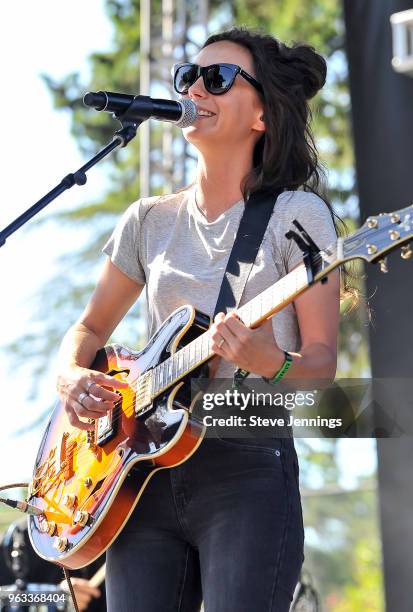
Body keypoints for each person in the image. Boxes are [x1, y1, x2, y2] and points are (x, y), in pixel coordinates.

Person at [56, 26, 347, 612]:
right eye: (187, 75)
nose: (194, 87)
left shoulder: (299, 214)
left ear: (262, 115)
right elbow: (88, 331)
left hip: (246, 465)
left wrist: (265, 359)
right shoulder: (148, 220)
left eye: (216, 78)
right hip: (138, 475)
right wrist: (70, 376)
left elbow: (320, 369)